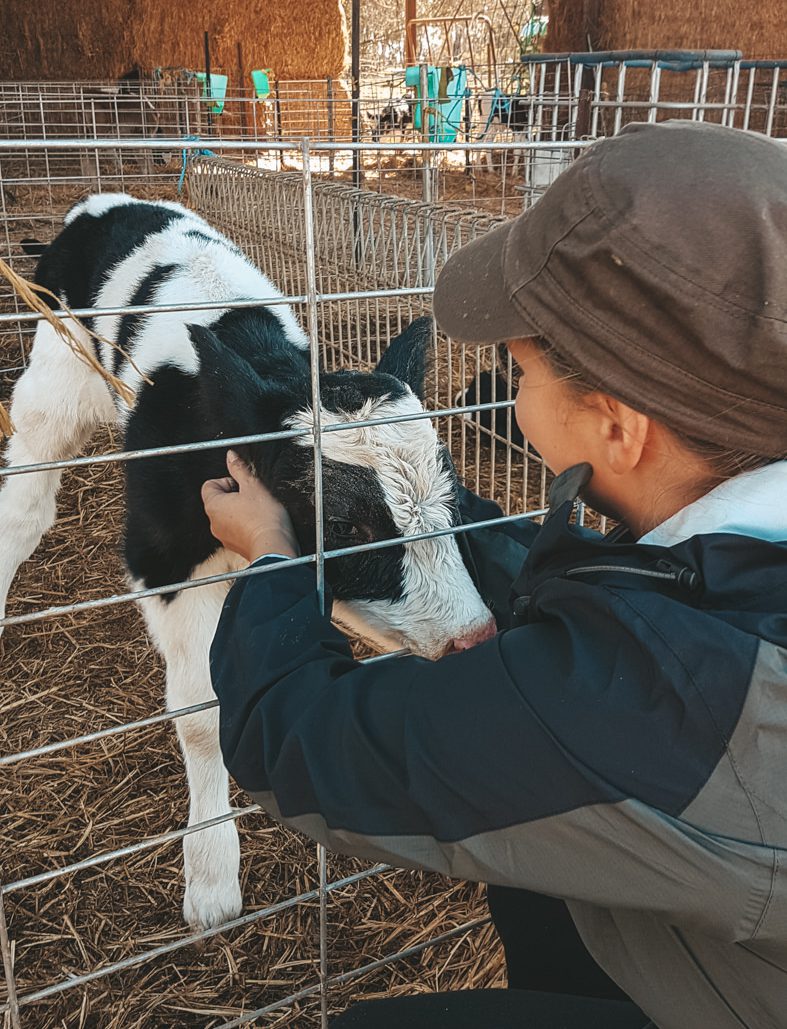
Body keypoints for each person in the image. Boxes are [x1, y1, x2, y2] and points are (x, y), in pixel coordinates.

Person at [201, 121, 787, 1029]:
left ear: (617, 428)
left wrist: (273, 562)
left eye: (512, 368)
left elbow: (297, 741)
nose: (504, 393)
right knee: (538, 881)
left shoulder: (653, 697)